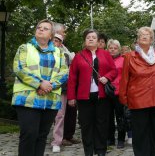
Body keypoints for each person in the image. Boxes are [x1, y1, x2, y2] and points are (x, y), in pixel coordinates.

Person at [12, 19, 69, 156]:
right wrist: (39, 83)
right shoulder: (24, 48)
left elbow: (64, 72)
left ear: (51, 35)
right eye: (39, 27)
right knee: (29, 134)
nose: (41, 29)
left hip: (50, 100)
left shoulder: (59, 52)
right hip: (27, 99)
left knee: (42, 136)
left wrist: (50, 86)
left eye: (45, 28)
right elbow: (19, 68)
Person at [119, 27, 155, 156]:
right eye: (141, 35)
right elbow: (124, 79)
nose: (144, 37)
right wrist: (123, 98)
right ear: (138, 40)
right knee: (140, 132)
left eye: (147, 35)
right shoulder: (129, 56)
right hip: (138, 99)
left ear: (151, 39)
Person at [67, 29, 117, 156]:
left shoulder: (105, 54)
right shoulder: (79, 56)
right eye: (88, 37)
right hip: (84, 97)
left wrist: (107, 77)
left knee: (101, 124)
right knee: (86, 125)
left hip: (102, 96)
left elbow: (114, 70)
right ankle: (88, 152)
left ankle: (101, 151)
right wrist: (71, 97)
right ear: (85, 40)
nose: (90, 39)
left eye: (93, 37)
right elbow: (72, 78)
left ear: (98, 40)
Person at [50, 32, 69, 153]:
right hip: (42, 88)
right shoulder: (42, 52)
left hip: (61, 89)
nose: (54, 43)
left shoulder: (65, 55)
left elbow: (66, 73)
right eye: (53, 40)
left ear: (61, 43)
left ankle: (56, 141)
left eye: (57, 41)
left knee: (60, 116)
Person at [107, 39, 127, 149]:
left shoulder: (123, 60)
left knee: (120, 117)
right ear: (107, 49)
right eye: (111, 48)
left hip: (119, 92)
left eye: (115, 48)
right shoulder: (104, 60)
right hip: (107, 92)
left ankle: (121, 139)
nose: (113, 50)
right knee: (108, 117)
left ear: (119, 49)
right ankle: (110, 139)